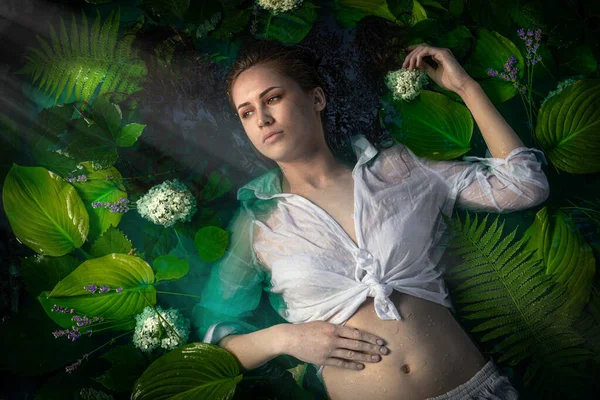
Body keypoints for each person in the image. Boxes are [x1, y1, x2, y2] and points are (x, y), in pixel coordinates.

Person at [192, 39, 550, 399]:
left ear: (316, 99)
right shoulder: (259, 220)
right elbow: (214, 340)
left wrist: (465, 88)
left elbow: (524, 185)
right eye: (247, 112)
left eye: (272, 98)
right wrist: (286, 338)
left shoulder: (397, 171)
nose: (263, 119)